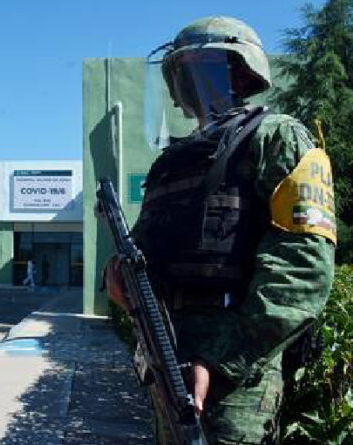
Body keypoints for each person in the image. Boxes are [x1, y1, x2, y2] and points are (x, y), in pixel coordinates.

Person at [104, 17, 336, 444]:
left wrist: (219, 360)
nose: (185, 82)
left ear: (239, 71)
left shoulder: (278, 138)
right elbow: (143, 248)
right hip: (168, 359)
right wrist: (116, 275)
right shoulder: (172, 162)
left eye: (199, 68)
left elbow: (303, 272)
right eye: (179, 72)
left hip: (236, 379)